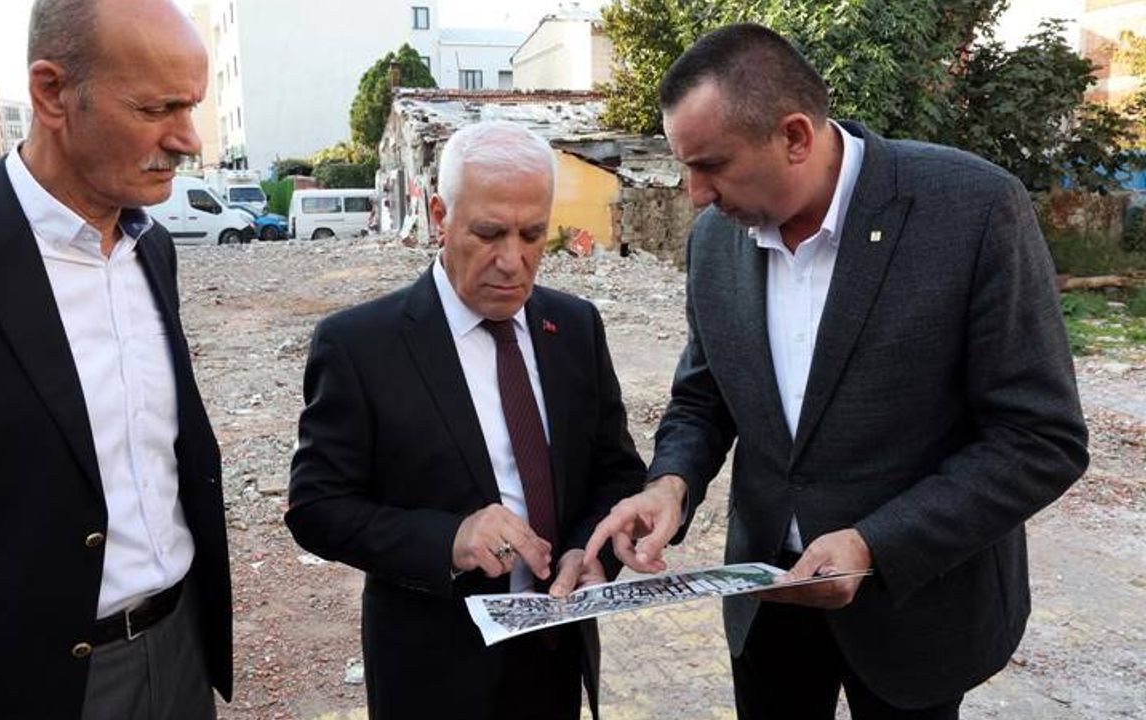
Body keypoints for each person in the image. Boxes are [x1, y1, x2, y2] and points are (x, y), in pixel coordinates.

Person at [583, 23, 1089, 720]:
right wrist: (670, 483)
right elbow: (704, 399)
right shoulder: (715, 243)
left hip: (915, 607)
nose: (695, 194)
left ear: (795, 136)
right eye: (686, 167)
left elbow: (1040, 439)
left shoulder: (971, 210)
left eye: (712, 166)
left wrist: (875, 544)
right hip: (768, 604)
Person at [0, 1, 232, 717]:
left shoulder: (151, 248)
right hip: (5, 685)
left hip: (177, 649)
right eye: (155, 108)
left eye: (190, 105)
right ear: (52, 93)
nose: (187, 138)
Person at [286, 121, 646, 720]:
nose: (513, 261)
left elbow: (616, 471)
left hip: (554, 657)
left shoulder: (575, 327)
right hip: (435, 672)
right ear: (440, 217)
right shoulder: (360, 345)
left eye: (533, 234)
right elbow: (316, 508)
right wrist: (449, 540)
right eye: (488, 233)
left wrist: (590, 551)